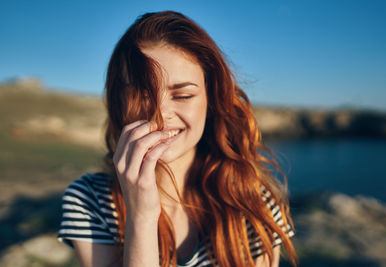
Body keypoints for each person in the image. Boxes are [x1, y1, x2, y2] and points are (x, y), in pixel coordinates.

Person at [58, 11, 297, 267]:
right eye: (142, 94)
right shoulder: (89, 199)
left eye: (182, 95)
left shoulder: (252, 200)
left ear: (212, 100)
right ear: (119, 102)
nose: (160, 115)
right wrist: (142, 217)